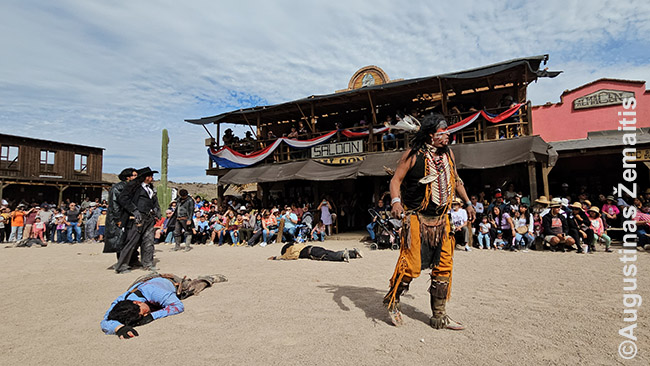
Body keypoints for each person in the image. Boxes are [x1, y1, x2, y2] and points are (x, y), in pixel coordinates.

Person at [384, 113, 474, 330]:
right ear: (431, 135)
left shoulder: (448, 154)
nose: (447, 135)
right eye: (442, 133)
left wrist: (468, 202)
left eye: (447, 131)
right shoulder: (413, 155)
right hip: (417, 218)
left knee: (444, 266)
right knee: (411, 266)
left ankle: (440, 316)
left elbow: (456, 179)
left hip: (443, 220)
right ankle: (393, 300)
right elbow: (395, 180)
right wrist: (396, 202)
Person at [101, 272, 227, 339]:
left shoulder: (155, 292)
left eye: (143, 312)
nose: (146, 314)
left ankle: (209, 278)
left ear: (138, 302)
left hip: (170, 281)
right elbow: (106, 320)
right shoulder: (123, 301)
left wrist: (152, 317)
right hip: (143, 282)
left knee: (192, 288)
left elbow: (178, 306)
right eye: (143, 316)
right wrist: (119, 328)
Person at [115, 167, 162, 273]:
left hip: (149, 218)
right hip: (136, 218)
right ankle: (122, 265)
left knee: (148, 241)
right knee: (131, 242)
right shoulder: (133, 186)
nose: (151, 178)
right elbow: (123, 198)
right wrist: (134, 210)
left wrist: (157, 210)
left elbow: (154, 201)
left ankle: (148, 263)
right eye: (149, 176)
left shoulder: (150, 188)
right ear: (144, 177)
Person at [104, 168, 139, 265]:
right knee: (121, 240)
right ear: (128, 177)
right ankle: (122, 262)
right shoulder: (117, 188)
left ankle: (133, 260)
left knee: (132, 240)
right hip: (121, 217)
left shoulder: (135, 187)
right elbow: (114, 204)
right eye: (134, 175)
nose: (137, 177)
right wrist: (117, 219)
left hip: (131, 216)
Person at [268, 242, 362, 262]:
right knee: (328, 252)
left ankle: (343, 254)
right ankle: (353, 253)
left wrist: (275, 257)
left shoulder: (290, 251)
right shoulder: (298, 245)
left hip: (311, 253)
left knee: (327, 256)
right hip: (313, 247)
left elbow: (285, 256)